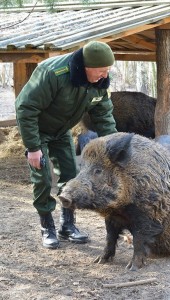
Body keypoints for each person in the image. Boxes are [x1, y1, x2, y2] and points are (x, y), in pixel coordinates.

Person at [15, 41, 117, 249]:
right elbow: (26, 109)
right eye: (101, 70)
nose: (105, 75)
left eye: (107, 70)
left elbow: (103, 114)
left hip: (62, 132)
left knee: (71, 175)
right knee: (42, 177)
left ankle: (67, 225)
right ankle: (47, 227)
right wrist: (33, 148)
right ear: (87, 66)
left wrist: (115, 146)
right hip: (38, 132)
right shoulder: (53, 73)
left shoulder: (99, 81)